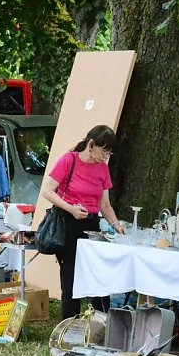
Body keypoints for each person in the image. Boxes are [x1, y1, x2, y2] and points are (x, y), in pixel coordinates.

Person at [40, 125, 124, 319]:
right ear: (91, 145)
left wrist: (116, 225)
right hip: (68, 223)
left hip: (92, 226)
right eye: (103, 151)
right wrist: (70, 208)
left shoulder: (103, 168)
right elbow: (47, 191)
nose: (105, 157)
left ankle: (101, 324)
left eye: (109, 153)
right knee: (70, 279)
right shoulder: (69, 160)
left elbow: (105, 204)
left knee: (99, 278)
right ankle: (68, 327)